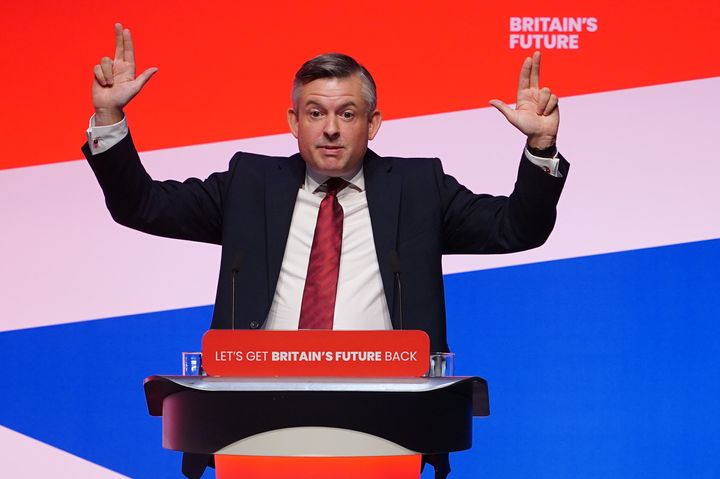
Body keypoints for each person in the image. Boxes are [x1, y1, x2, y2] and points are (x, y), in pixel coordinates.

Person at [83, 23, 568, 479]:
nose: (330, 128)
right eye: (316, 113)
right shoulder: (250, 186)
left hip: (388, 424)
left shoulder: (419, 189)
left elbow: (516, 229)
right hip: (254, 420)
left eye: (348, 113)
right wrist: (109, 118)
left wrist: (541, 145)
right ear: (294, 121)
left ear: (373, 123)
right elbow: (142, 206)